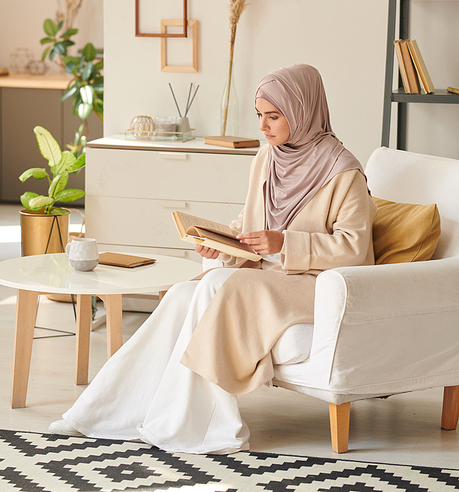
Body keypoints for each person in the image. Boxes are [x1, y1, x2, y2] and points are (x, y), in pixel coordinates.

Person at [49, 63, 376, 454]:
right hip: (262, 276)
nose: (263, 127)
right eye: (259, 115)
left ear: (304, 111)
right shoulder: (268, 158)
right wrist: (222, 242)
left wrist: (284, 242)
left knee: (216, 286)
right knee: (181, 297)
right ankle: (100, 412)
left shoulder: (344, 172)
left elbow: (353, 249)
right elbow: (251, 219)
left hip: (313, 285)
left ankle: (197, 424)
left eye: (273, 116)